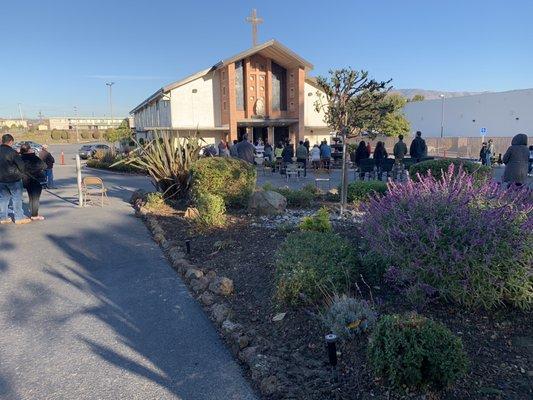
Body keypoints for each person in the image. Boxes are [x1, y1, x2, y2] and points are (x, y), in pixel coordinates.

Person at [0, 134, 31, 225]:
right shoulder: (12, 152)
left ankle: (3, 218)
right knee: (16, 198)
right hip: (14, 179)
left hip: (1, 180)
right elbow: (21, 165)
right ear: (11, 141)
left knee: (3, 199)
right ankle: (19, 218)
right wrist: (22, 173)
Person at [19, 143, 46, 221]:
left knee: (31, 197)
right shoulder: (33, 157)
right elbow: (44, 166)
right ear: (29, 149)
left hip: (26, 180)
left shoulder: (20, 158)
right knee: (35, 198)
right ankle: (34, 214)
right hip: (35, 179)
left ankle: (33, 213)